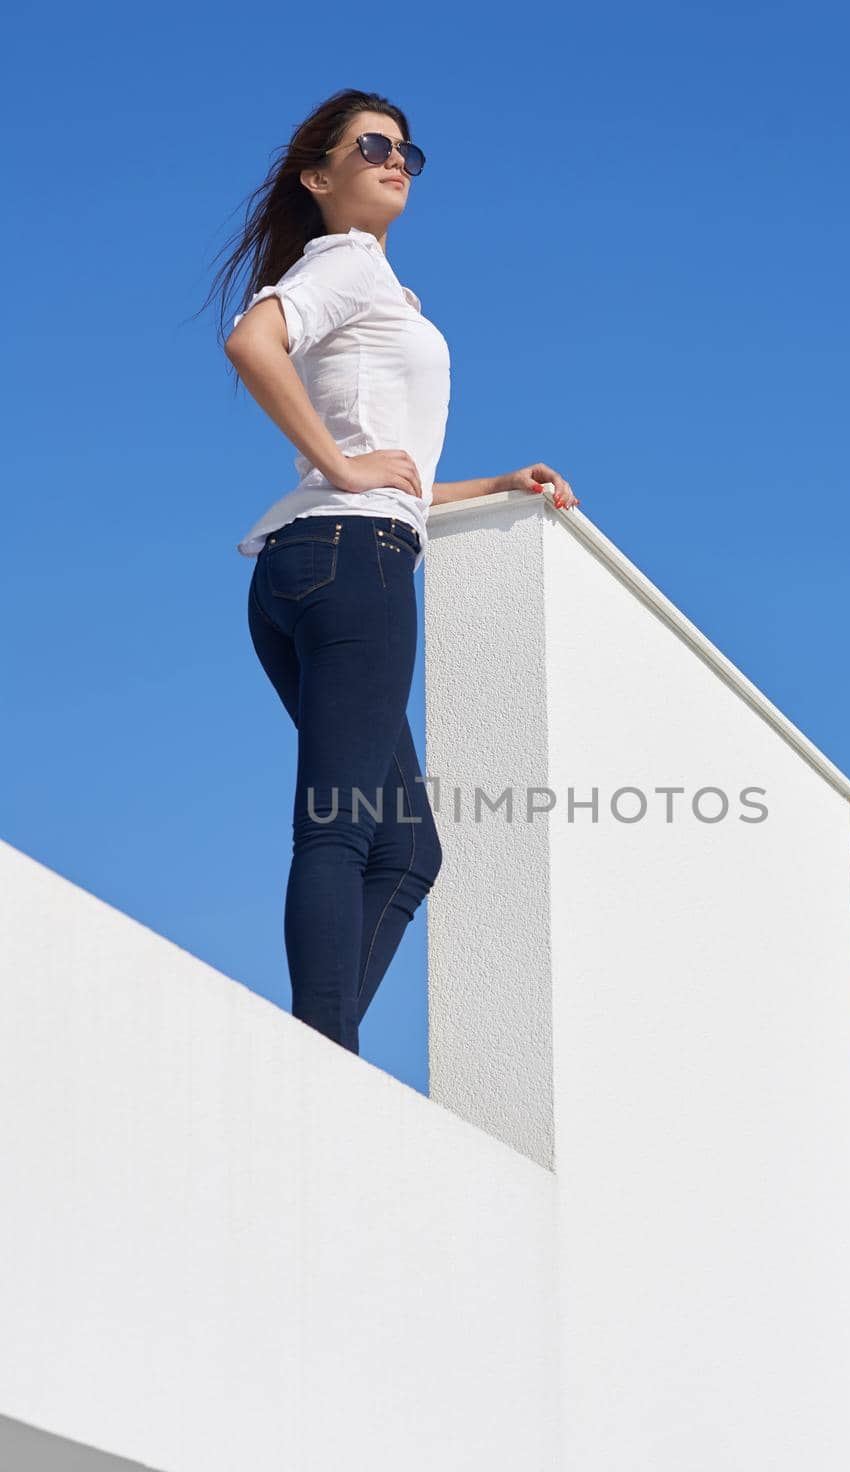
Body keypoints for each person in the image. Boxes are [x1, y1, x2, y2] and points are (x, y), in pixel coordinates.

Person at [217, 89, 579, 1057]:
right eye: (370, 146)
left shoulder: (367, 281)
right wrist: (341, 469)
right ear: (317, 175)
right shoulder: (343, 265)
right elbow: (252, 344)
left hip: (320, 559)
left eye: (406, 152)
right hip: (351, 561)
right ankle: (321, 1057)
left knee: (409, 849)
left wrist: (490, 484)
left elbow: (391, 464)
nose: (394, 160)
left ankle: (318, 1046)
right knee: (338, 827)